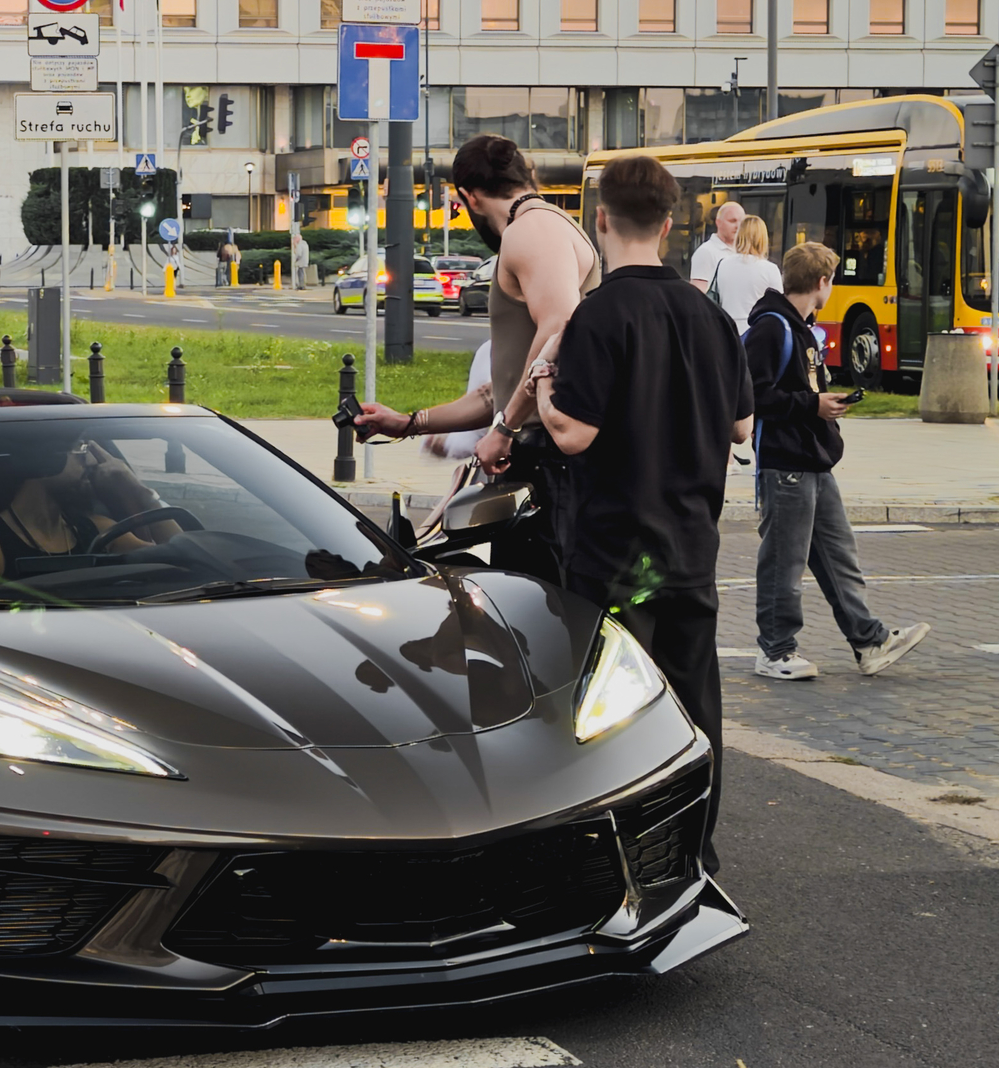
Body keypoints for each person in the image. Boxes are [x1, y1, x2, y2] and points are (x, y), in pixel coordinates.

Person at [530, 153, 753, 867]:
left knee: (611, 716)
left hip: (617, 557)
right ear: (668, 224)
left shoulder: (600, 316)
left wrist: (540, 385)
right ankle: (697, 848)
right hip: (692, 548)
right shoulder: (711, 316)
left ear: (601, 220)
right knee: (695, 704)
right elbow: (744, 427)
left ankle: (618, 856)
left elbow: (573, 432)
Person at [349, 134, 596, 578]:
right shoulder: (549, 225)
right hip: (541, 456)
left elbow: (559, 327)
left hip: (547, 463)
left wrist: (505, 427)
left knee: (539, 616)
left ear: (469, 198)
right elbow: (502, 388)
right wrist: (408, 422)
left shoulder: (530, 230)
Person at [742, 242, 931, 681]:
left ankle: (869, 641)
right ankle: (775, 650)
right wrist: (813, 406)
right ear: (822, 282)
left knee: (837, 554)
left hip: (812, 457)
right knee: (784, 561)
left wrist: (818, 406)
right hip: (787, 459)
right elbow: (754, 394)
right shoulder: (774, 328)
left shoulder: (799, 327)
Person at [0, 438, 173, 589]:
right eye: (78, 449)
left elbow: (184, 555)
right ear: (42, 462)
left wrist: (139, 491)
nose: (90, 461)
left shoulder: (101, 531)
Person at [707, 214, 781, 335]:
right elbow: (777, 308)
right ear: (763, 238)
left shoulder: (722, 264)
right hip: (757, 333)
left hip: (727, 331)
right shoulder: (770, 269)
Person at [689, 201, 743, 292]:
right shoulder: (706, 252)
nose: (738, 226)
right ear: (718, 222)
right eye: (732, 221)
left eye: (742, 222)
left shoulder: (744, 251)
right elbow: (698, 294)